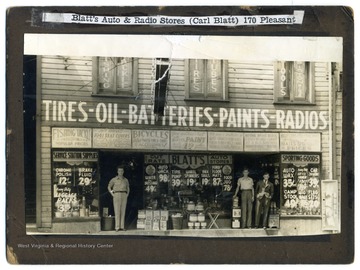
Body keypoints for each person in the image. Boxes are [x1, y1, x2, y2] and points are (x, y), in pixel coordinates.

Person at [108, 165, 130, 231]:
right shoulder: (114, 179)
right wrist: (112, 194)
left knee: (123, 211)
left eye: (122, 171)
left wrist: (127, 194)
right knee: (117, 211)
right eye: (119, 171)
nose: (120, 172)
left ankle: (122, 227)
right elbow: (109, 187)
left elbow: (128, 188)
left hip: (124, 194)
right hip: (116, 194)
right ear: (117, 172)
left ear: (123, 172)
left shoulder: (126, 180)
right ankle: (117, 227)